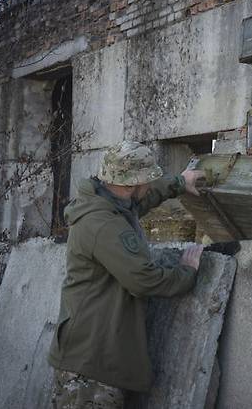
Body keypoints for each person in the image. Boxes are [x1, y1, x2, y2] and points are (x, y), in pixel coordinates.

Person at [48, 140, 205, 408]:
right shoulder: (104, 223)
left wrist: (179, 182)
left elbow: (141, 201)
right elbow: (144, 280)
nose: (148, 185)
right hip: (91, 367)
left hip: (92, 352)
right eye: (146, 179)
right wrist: (187, 273)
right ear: (131, 184)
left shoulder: (105, 201)